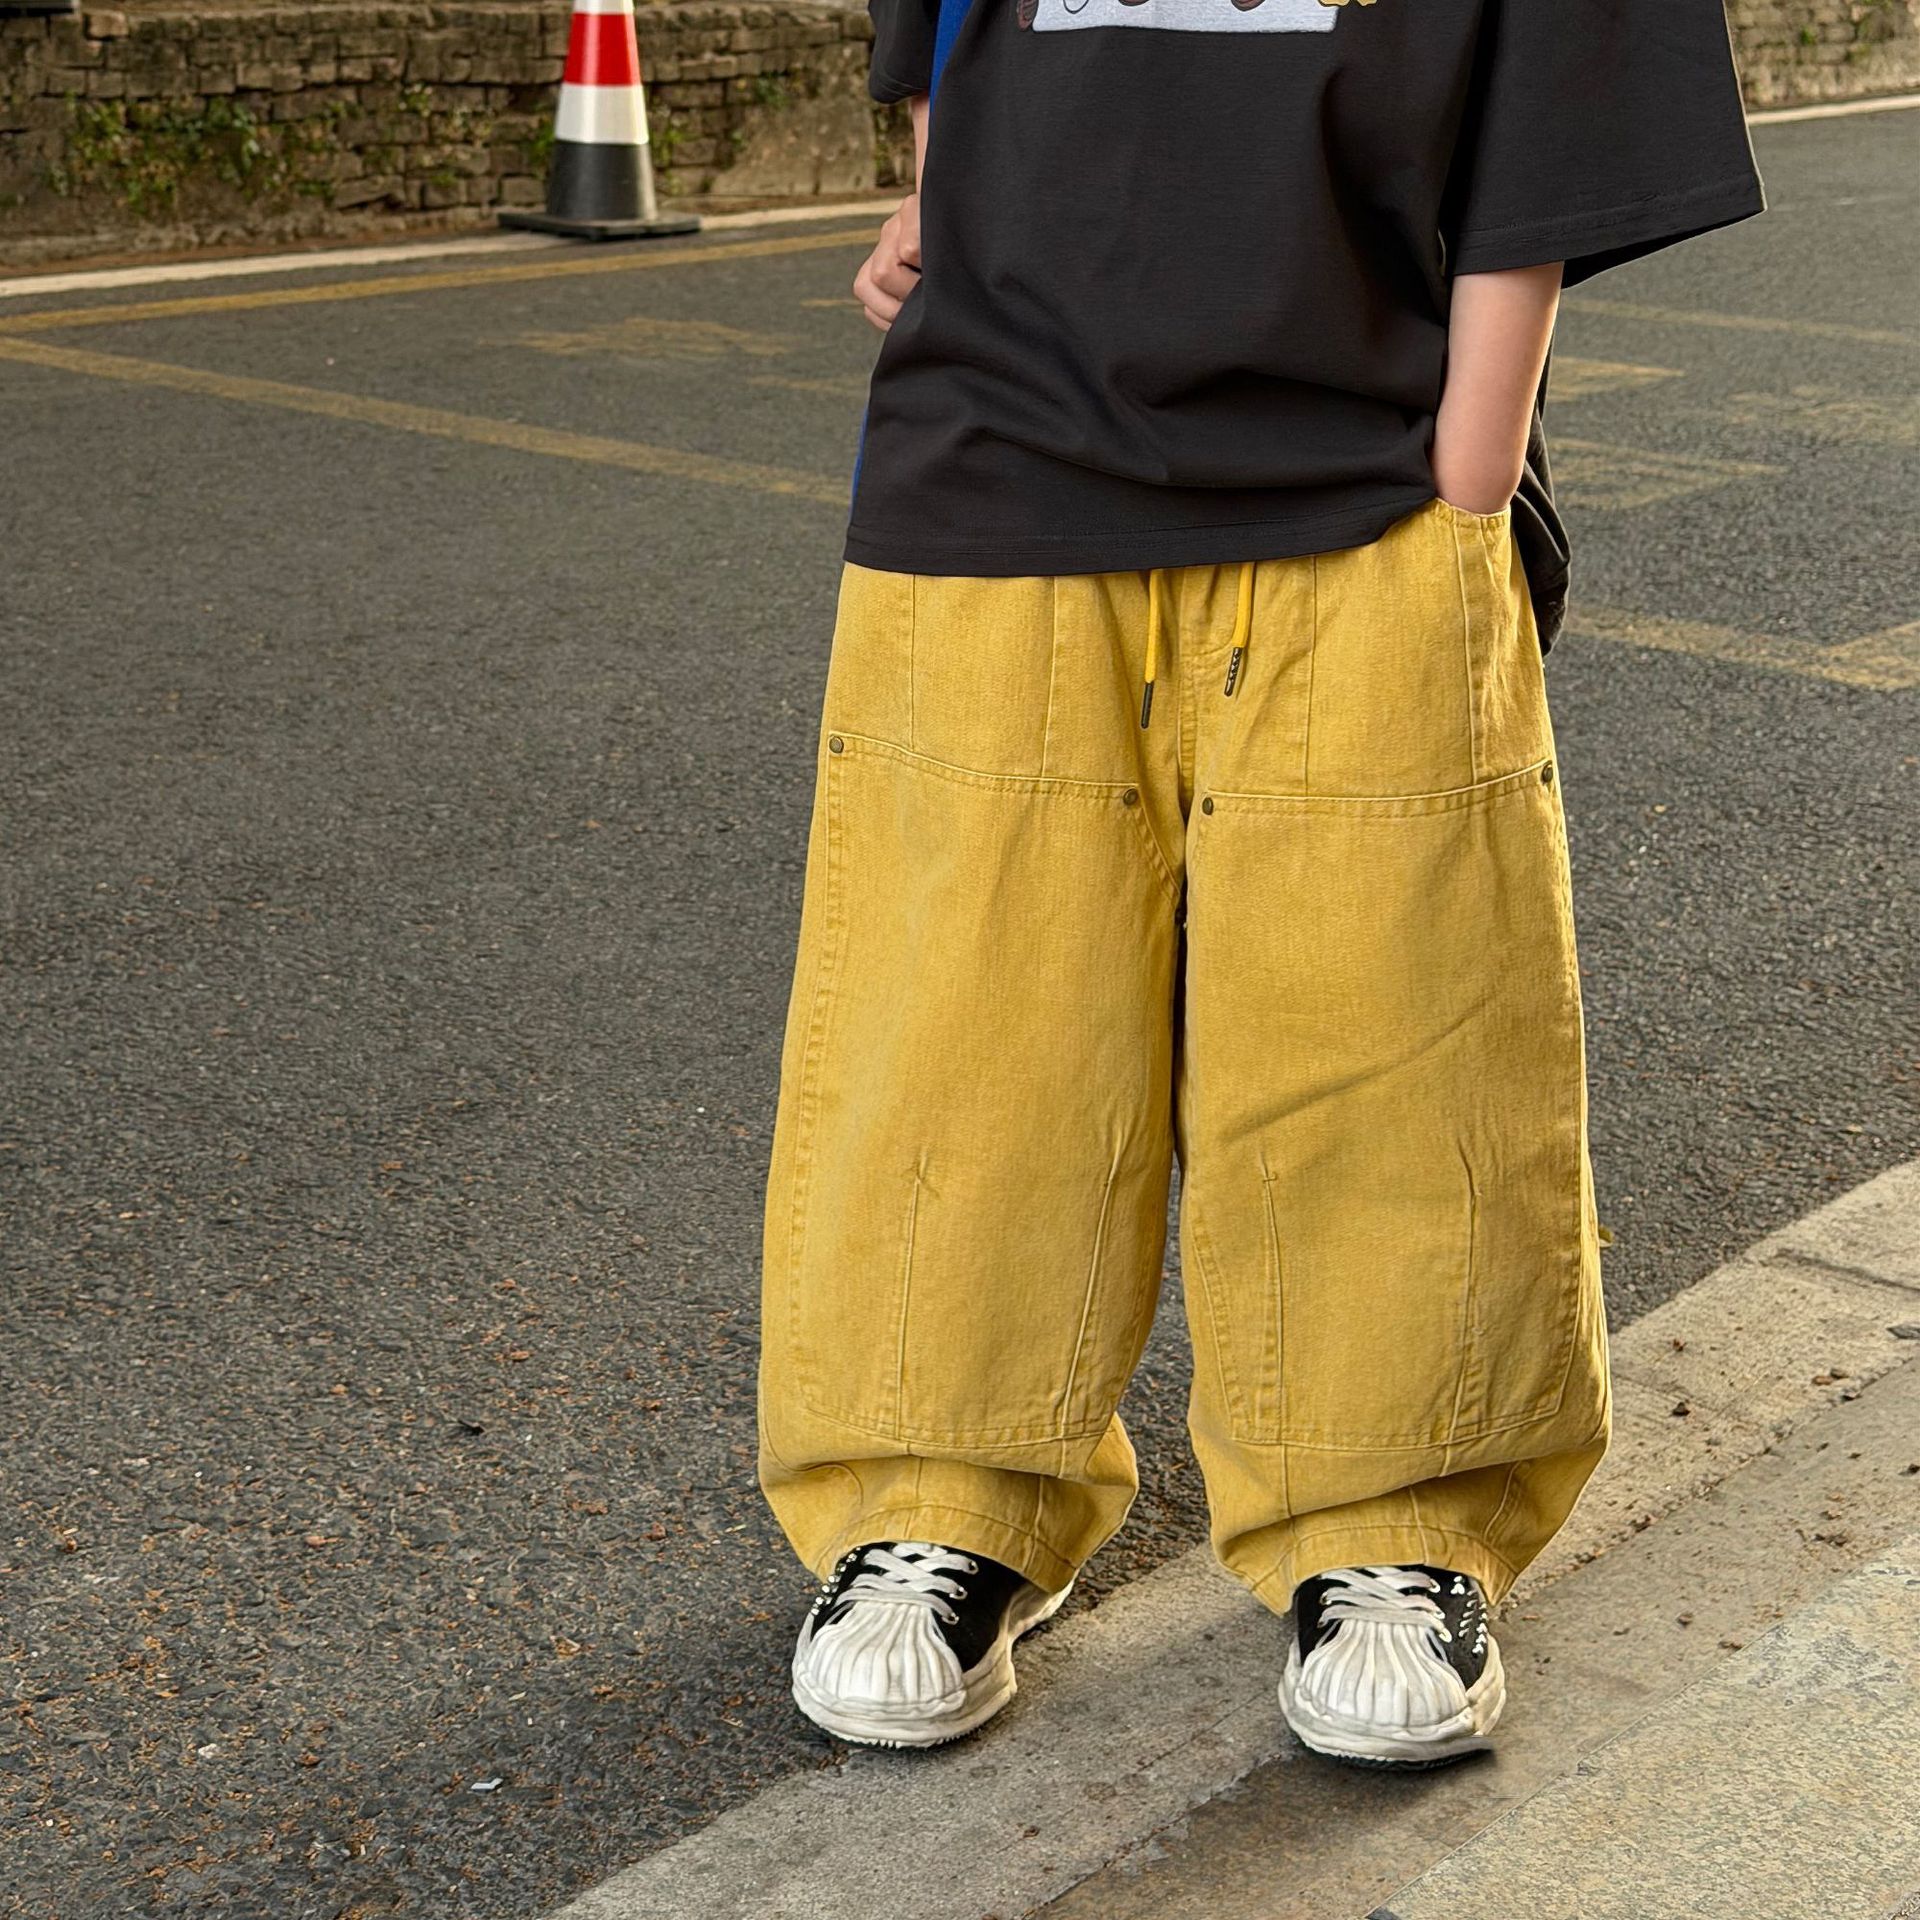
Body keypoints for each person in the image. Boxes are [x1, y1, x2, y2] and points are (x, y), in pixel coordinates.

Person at [757, 0, 1764, 1765]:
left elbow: (1565, 75)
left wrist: (1474, 467)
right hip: (995, 439)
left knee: (1386, 1007)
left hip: (1376, 468)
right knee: (966, 1010)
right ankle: (937, 1494)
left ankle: (1395, 1516)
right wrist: (950, 188)